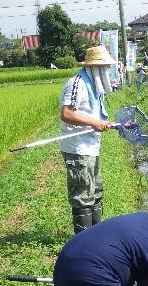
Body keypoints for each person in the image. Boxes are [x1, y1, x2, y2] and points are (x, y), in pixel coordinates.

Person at [59, 45, 115, 234]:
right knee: (82, 195)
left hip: (91, 147)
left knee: (96, 192)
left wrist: (102, 123)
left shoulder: (93, 85)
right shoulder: (77, 83)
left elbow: (92, 114)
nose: (107, 70)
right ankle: (84, 240)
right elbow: (66, 113)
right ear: (93, 67)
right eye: (104, 67)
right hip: (78, 148)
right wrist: (93, 123)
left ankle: (95, 235)